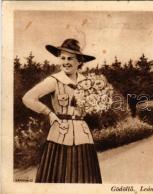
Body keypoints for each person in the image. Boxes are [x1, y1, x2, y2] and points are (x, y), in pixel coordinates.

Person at [22, 39, 102, 183]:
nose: (66, 62)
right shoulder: (54, 80)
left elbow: (90, 106)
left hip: (83, 136)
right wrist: (49, 113)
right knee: (58, 178)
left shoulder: (87, 83)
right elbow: (28, 98)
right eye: (63, 58)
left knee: (85, 179)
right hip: (60, 136)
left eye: (70, 58)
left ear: (79, 61)